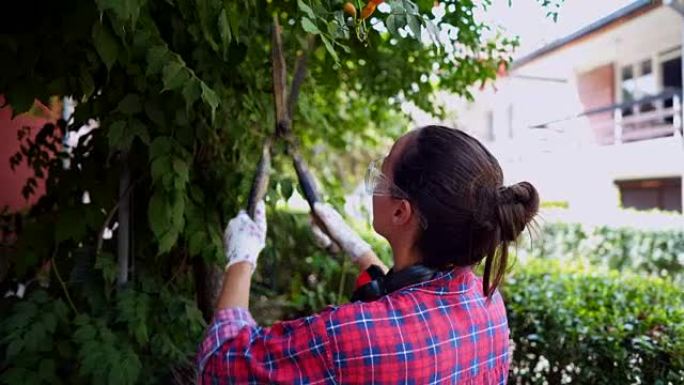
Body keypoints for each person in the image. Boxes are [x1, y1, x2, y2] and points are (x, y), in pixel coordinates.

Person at [196, 125, 539, 384]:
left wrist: (241, 258)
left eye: (382, 171)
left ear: (401, 213)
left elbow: (219, 363)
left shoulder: (349, 335)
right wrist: (359, 251)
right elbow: (415, 304)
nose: (374, 180)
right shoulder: (488, 302)